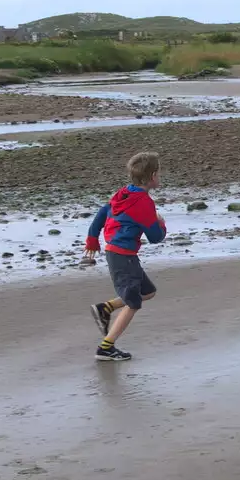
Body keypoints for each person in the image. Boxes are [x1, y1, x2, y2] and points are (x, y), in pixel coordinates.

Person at [84, 151, 168, 362]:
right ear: (153, 176)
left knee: (147, 293)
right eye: (159, 174)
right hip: (122, 257)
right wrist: (160, 221)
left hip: (121, 254)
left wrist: (93, 240)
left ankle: (106, 308)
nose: (160, 177)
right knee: (133, 303)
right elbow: (156, 237)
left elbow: (103, 212)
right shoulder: (144, 204)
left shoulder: (123, 193)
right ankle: (106, 347)